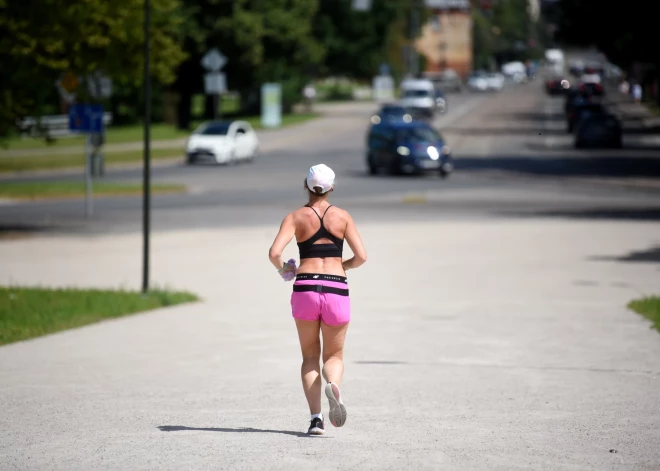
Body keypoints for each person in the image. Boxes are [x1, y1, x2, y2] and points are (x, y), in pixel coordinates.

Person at [268, 164, 367, 435]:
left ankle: (315, 420)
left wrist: (286, 270)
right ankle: (333, 385)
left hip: (306, 288)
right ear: (331, 187)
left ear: (306, 185)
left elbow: (275, 252)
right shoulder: (343, 217)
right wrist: (343, 265)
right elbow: (361, 257)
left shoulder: (295, 217)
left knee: (310, 356)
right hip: (336, 288)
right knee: (333, 355)